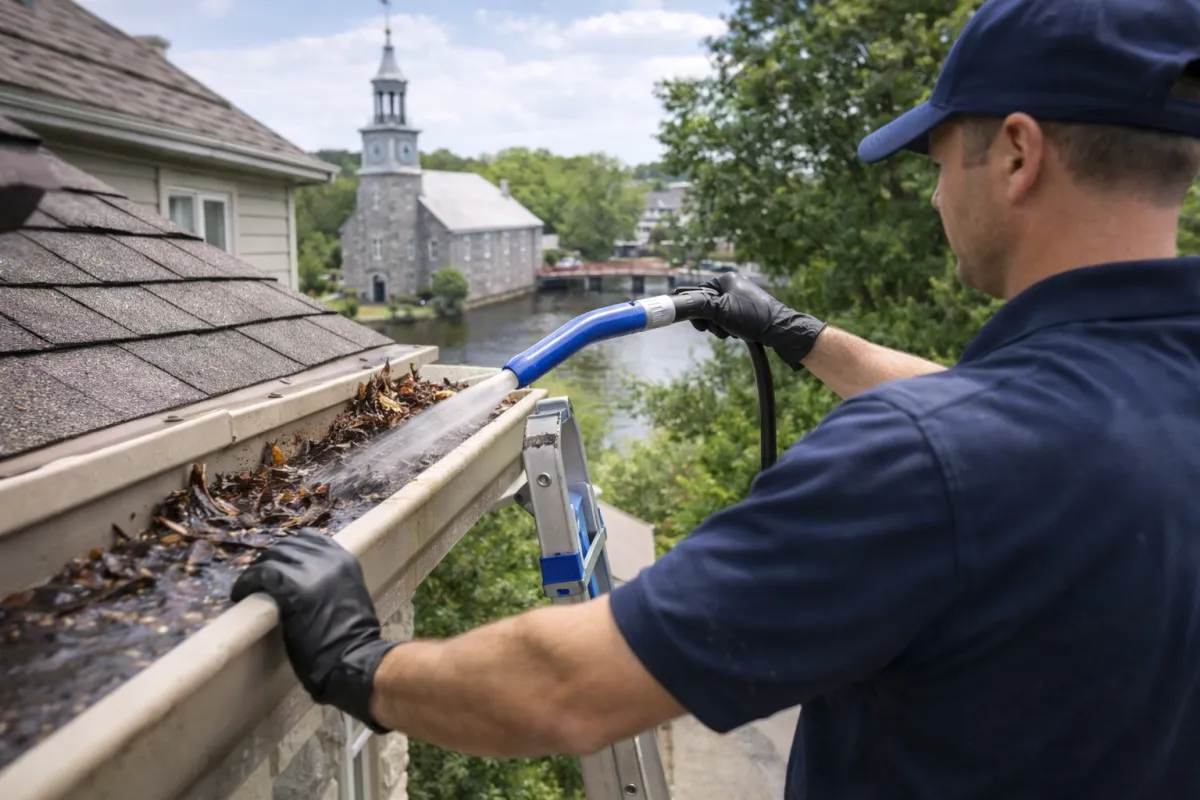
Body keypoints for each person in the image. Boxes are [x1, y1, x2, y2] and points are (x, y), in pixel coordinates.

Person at [232, 0, 1200, 796]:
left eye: (941, 161)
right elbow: (1013, 413)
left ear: (1019, 155)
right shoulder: (1139, 403)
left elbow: (568, 688)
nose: (936, 196)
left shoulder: (923, 462)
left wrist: (359, 661)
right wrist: (797, 332)